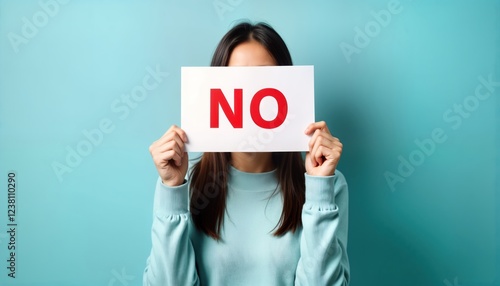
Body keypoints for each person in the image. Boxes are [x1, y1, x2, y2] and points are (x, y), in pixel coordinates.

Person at [143, 22, 349, 286]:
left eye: (265, 80)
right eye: (238, 80)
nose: (251, 94)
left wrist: (320, 188)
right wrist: (172, 190)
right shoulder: (186, 184)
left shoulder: (329, 184)